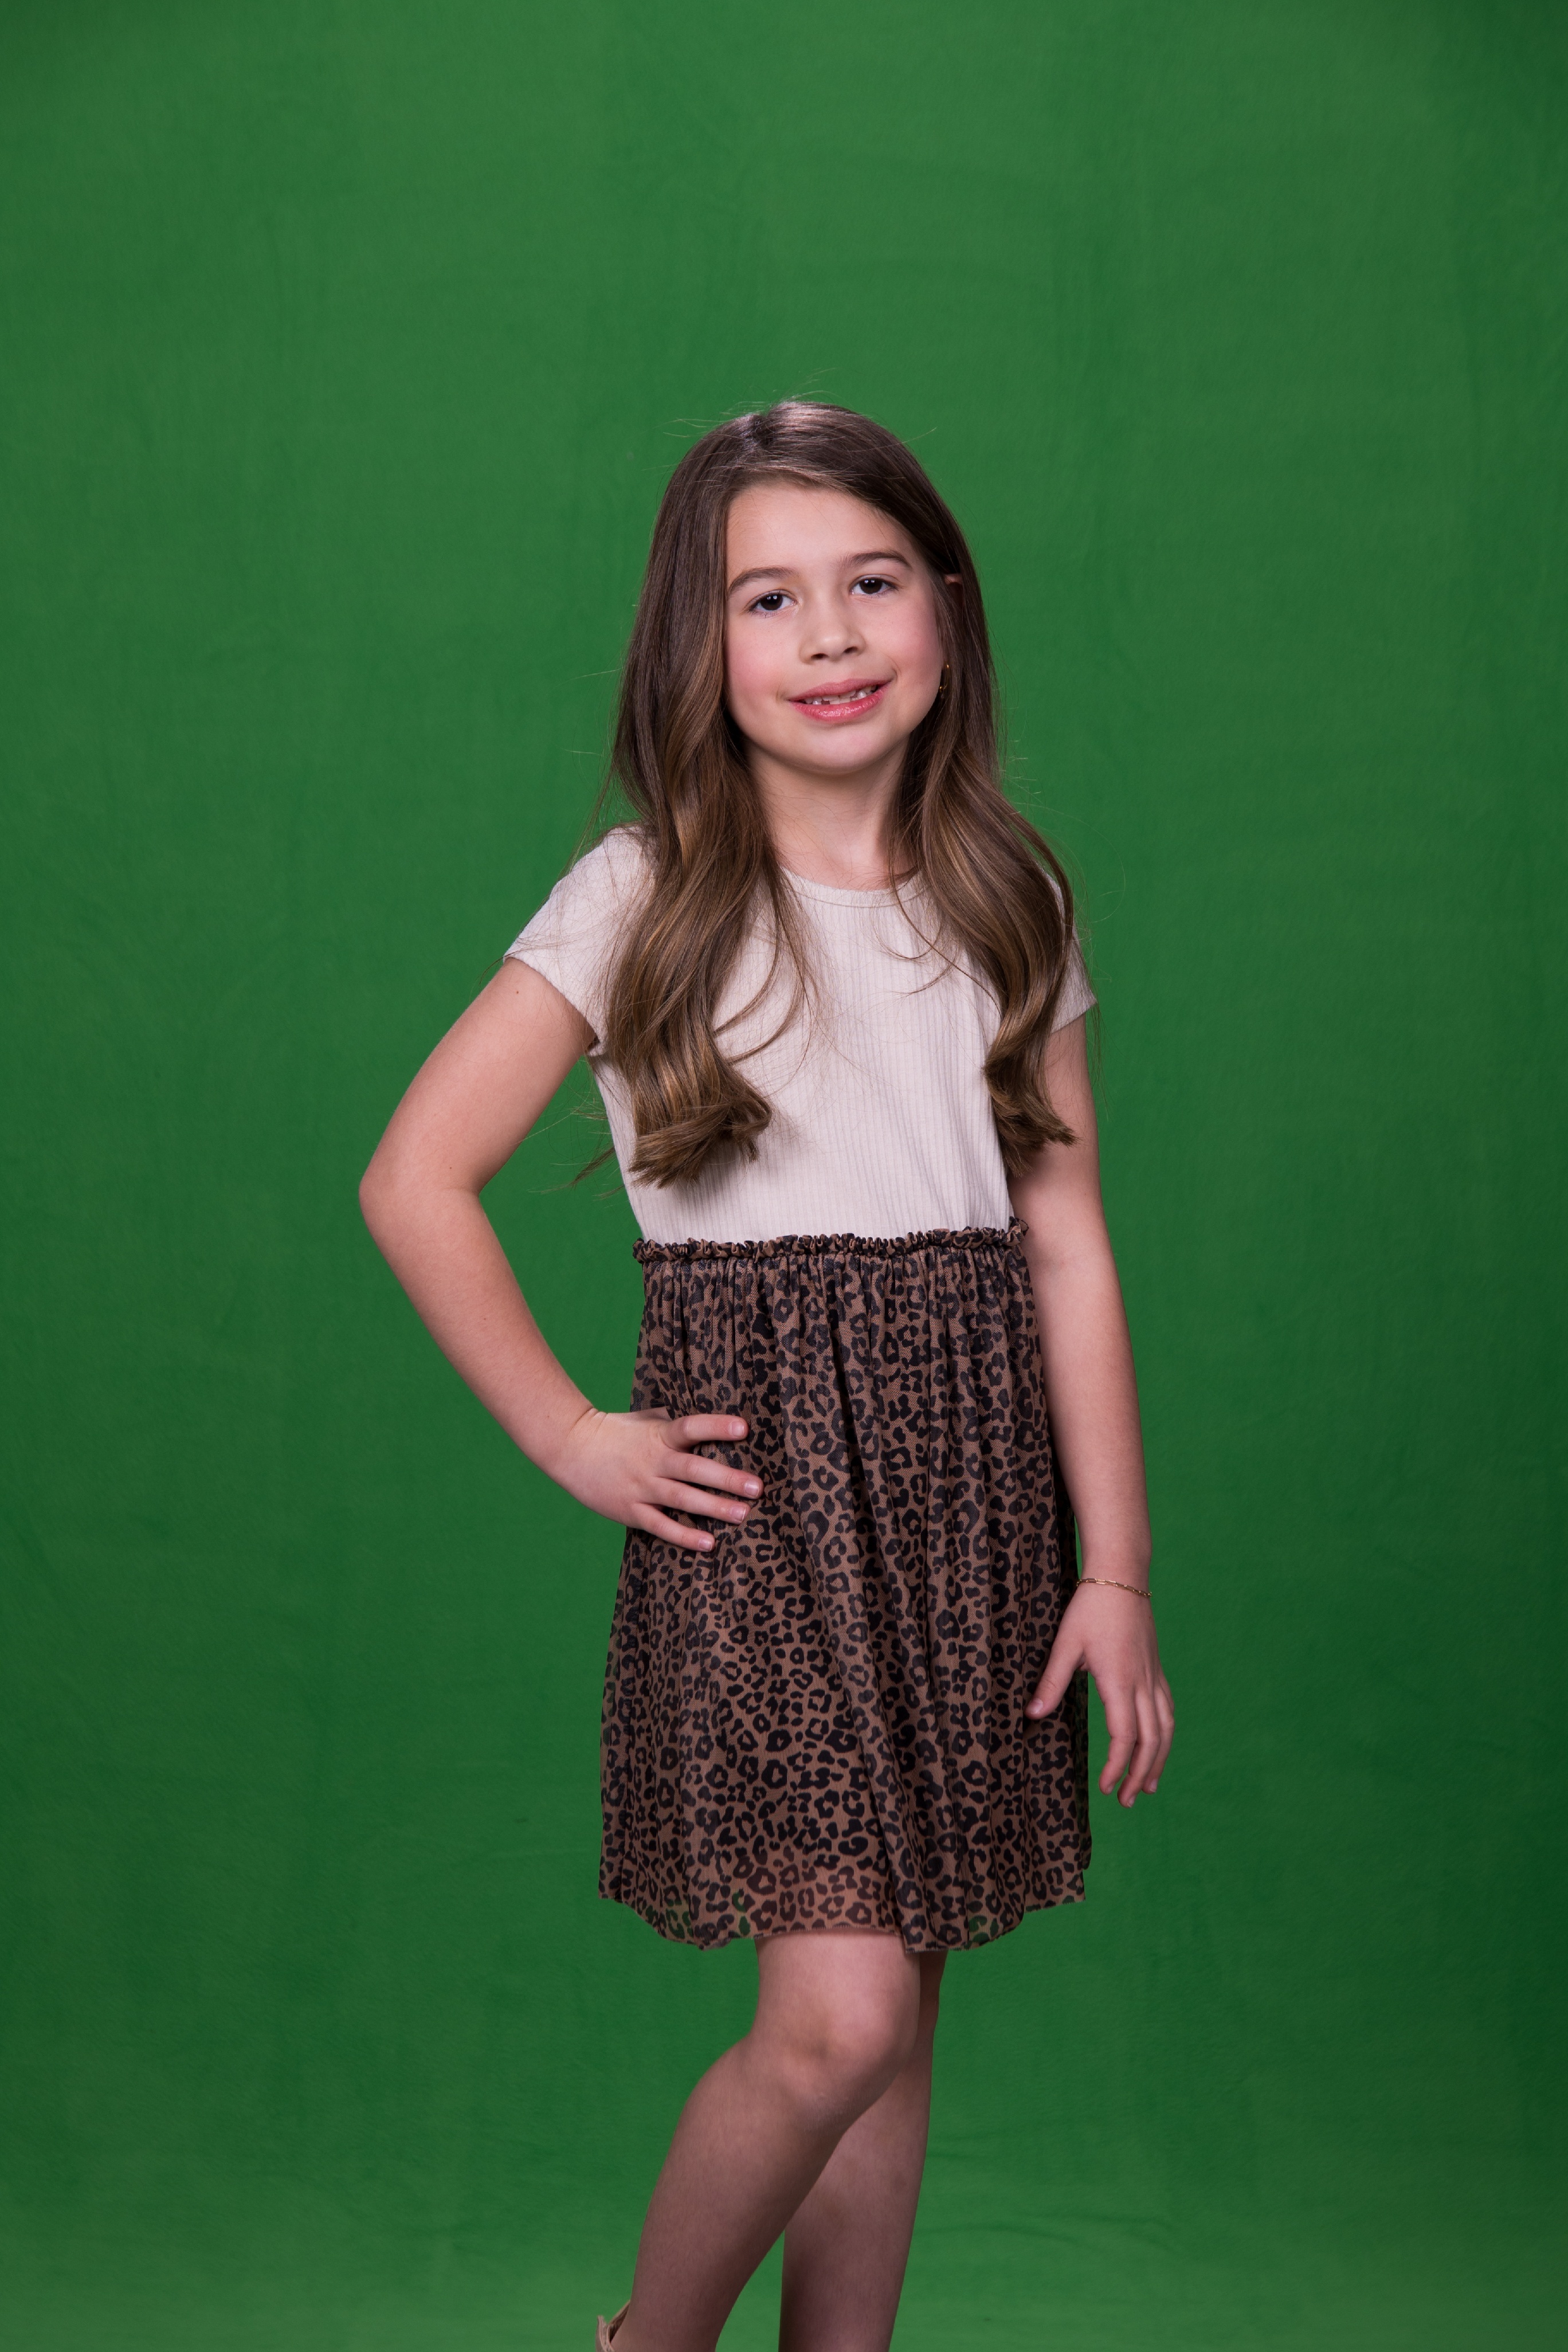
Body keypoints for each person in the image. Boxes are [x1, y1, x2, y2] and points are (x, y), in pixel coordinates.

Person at [359, 401, 1174, 2352]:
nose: (830, 636)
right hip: (767, 1510)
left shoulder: (1013, 900)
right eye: (770, 599)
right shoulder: (642, 896)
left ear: (947, 609)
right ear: (698, 649)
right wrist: (570, 1431)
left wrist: (1117, 1568)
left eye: (872, 583)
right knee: (838, 2017)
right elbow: (414, 1179)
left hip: (971, 1506)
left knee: (900, 2020)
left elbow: (1065, 1242)